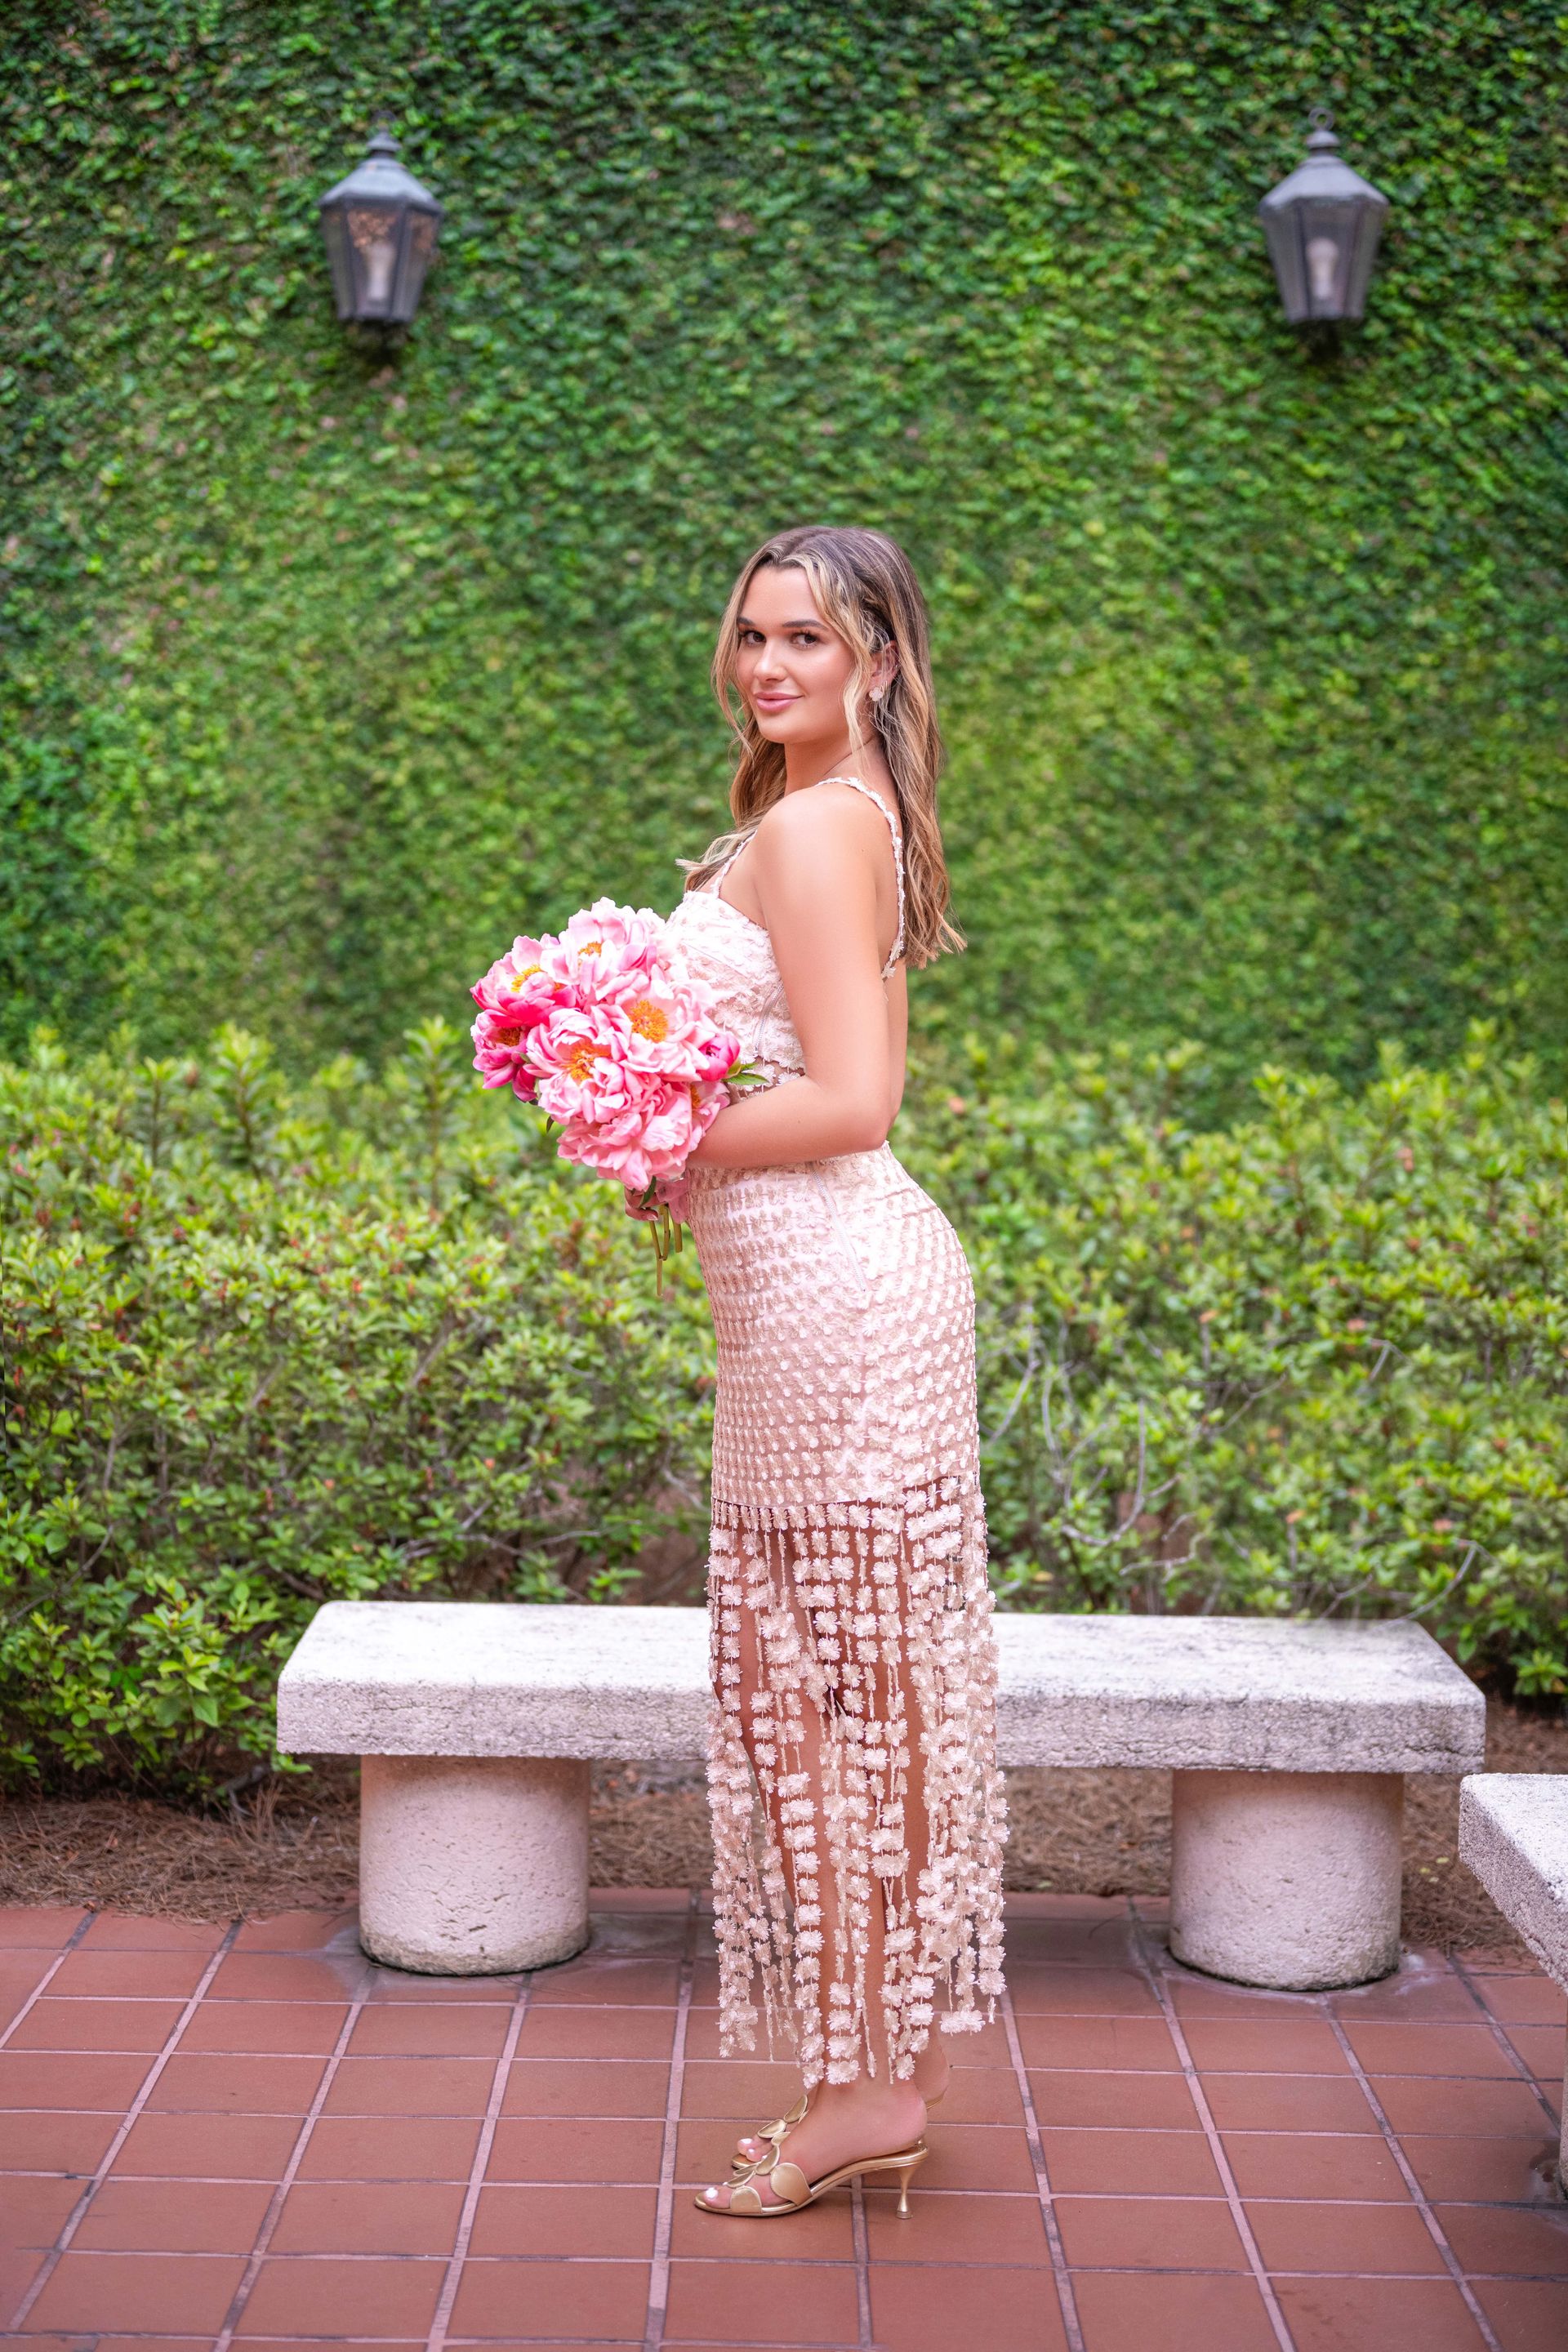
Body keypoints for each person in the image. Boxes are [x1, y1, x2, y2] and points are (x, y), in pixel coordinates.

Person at [663, 523, 1006, 2221]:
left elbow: (857, 1103)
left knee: (825, 1712)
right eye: (750, 638)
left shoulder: (810, 824)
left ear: (875, 658)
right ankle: (889, 2065)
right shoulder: (836, 815)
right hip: (827, 1298)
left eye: (803, 637)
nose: (768, 665)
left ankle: (862, 2088)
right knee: (868, 1704)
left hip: (840, 1306)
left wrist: (658, 1123)